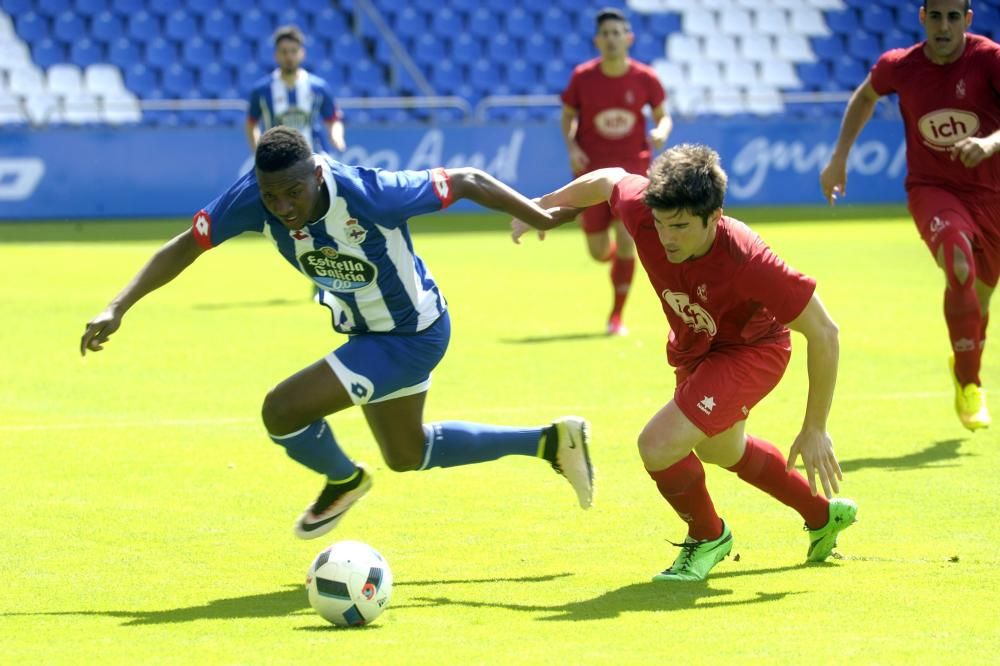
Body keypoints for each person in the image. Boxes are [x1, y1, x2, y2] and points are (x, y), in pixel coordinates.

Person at [81, 127, 594, 540]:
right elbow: (184, 245)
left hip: (410, 335)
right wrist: (117, 305)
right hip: (371, 336)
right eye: (271, 195)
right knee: (407, 453)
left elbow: (465, 180)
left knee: (281, 410)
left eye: (293, 192)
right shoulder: (254, 200)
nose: (282, 206)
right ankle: (552, 442)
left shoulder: (368, 193)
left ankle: (344, 480)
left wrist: (539, 213)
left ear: (317, 173)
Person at [511, 144, 857, 581]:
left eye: (679, 226)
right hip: (699, 346)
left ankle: (708, 536)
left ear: (714, 217)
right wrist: (542, 205)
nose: (667, 238)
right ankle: (823, 515)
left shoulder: (747, 258)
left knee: (658, 445)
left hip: (753, 350)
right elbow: (606, 180)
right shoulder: (644, 211)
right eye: (659, 224)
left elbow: (825, 332)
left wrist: (815, 428)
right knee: (722, 449)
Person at [819, 0, 1000, 431]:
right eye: (935, 16)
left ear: (967, 20)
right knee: (958, 265)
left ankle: (963, 361)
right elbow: (865, 96)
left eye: (953, 17)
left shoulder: (990, 59)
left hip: (992, 195)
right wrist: (839, 157)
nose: (943, 26)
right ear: (922, 17)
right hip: (932, 189)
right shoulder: (900, 66)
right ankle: (971, 383)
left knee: (980, 300)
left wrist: (991, 144)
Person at [559, 7, 673, 336]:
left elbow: (663, 115)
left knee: (627, 239)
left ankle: (616, 316)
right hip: (592, 175)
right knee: (598, 253)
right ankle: (619, 267)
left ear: (628, 38)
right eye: (605, 34)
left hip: (633, 172)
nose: (611, 39)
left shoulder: (645, 77)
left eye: (616, 33)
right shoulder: (582, 76)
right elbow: (568, 116)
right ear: (597, 40)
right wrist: (572, 147)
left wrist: (661, 131)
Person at [245, 25, 346, 155]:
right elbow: (251, 123)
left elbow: (333, 119)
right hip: (276, 161)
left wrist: (336, 136)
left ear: (302, 53)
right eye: (284, 52)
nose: (289, 57)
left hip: (314, 158)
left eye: (294, 51)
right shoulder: (262, 90)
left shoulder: (319, 87)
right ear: (276, 55)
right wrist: (258, 150)